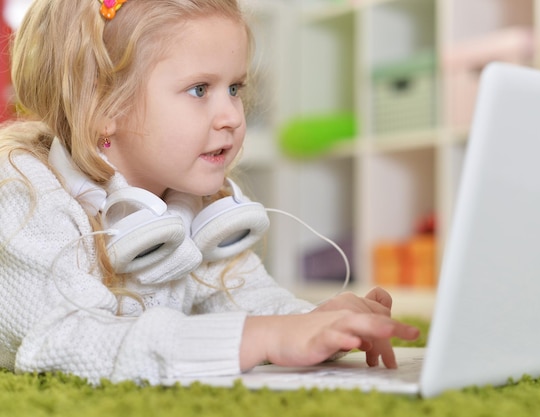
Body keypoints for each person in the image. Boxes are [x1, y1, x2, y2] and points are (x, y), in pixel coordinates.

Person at [0, 0, 419, 385]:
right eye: (200, 89)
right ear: (103, 107)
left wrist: (315, 322)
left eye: (235, 88)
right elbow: (62, 340)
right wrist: (262, 337)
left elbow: (249, 301)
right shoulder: (25, 194)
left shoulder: (196, 200)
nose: (233, 116)